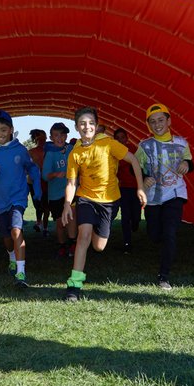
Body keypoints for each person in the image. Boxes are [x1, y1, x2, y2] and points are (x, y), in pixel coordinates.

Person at [60, 107, 146, 301]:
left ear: (96, 126)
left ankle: (94, 232)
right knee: (84, 236)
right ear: (76, 127)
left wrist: (140, 188)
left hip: (109, 200)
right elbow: (72, 182)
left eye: (90, 123)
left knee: (99, 246)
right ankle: (74, 285)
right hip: (86, 198)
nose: (86, 126)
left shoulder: (109, 144)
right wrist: (67, 204)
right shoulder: (75, 153)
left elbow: (133, 160)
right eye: (82, 123)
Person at [0, 110, 42, 288]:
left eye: (4, 129)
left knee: (16, 230)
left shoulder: (20, 150)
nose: (0, 134)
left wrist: (36, 189)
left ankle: (21, 273)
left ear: (11, 129)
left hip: (18, 197)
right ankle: (12, 257)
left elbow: (33, 168)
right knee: (7, 238)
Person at [136, 104, 193, 290]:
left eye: (161, 120)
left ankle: (164, 276)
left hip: (175, 194)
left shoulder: (182, 143)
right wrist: (145, 178)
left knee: (170, 232)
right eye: (153, 122)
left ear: (169, 121)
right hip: (153, 197)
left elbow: (191, 163)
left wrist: (186, 163)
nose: (157, 124)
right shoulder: (144, 146)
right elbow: (134, 167)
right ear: (148, 125)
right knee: (154, 234)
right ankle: (163, 246)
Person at [42, 122, 75, 258]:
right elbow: (45, 176)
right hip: (55, 194)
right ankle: (62, 246)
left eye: (62, 134)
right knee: (61, 223)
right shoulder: (50, 154)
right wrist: (56, 174)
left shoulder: (72, 149)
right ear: (51, 137)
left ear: (66, 135)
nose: (60, 138)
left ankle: (73, 244)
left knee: (72, 217)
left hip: (72, 191)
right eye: (56, 135)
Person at [112, 128, 142, 252]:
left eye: (122, 137)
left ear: (127, 138)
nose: (120, 140)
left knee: (136, 215)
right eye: (117, 138)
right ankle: (127, 243)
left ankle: (135, 223)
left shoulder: (134, 150)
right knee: (125, 216)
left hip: (135, 188)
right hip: (122, 189)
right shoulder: (113, 153)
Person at [27, 128, 49, 236]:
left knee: (45, 205)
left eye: (44, 137)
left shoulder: (50, 151)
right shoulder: (30, 152)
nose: (42, 140)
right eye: (40, 138)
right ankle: (39, 222)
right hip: (32, 182)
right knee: (37, 204)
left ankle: (44, 226)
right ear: (35, 139)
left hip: (46, 181)